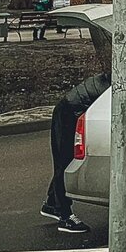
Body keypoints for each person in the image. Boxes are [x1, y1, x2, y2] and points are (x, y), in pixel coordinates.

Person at [41, 71, 111, 233]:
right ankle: (65, 215)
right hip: (71, 111)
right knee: (66, 163)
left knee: (66, 161)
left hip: (72, 107)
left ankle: (53, 203)